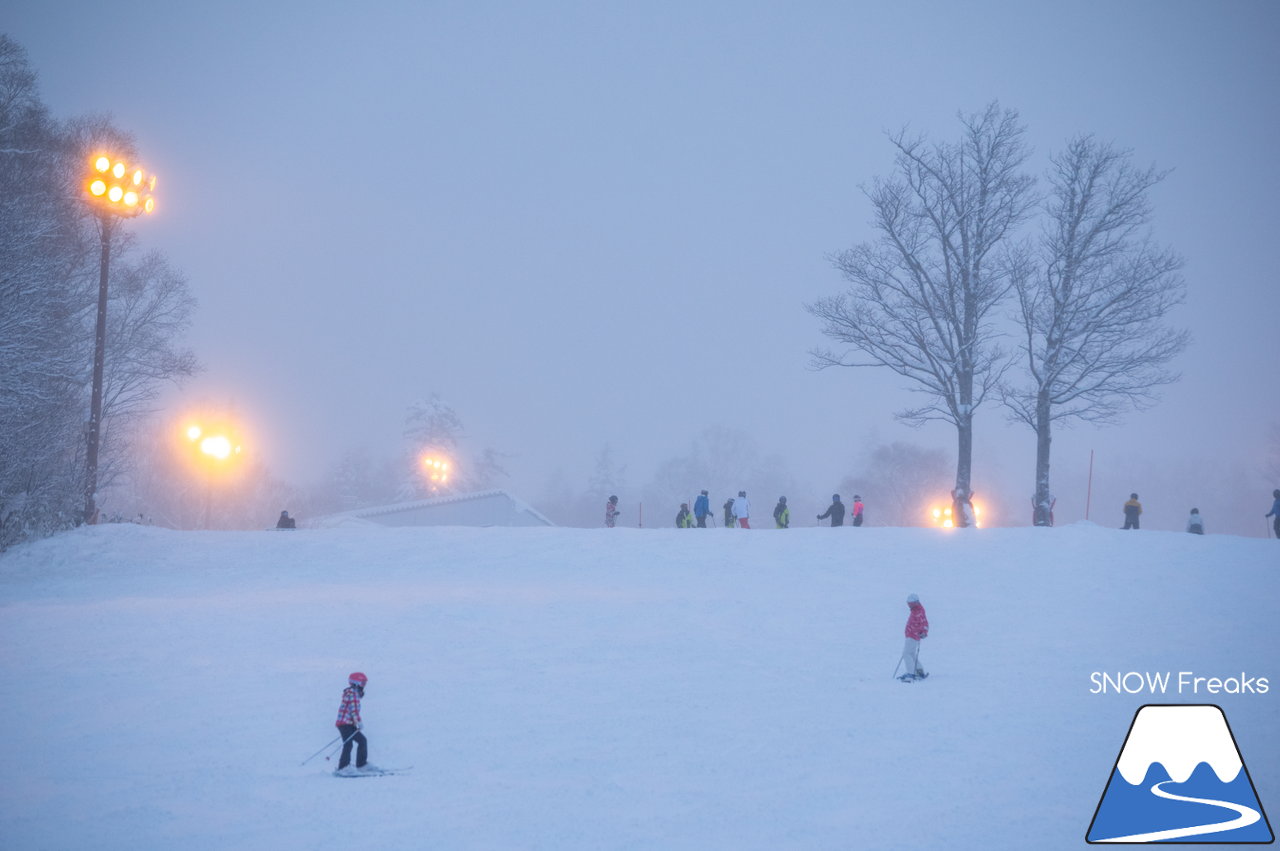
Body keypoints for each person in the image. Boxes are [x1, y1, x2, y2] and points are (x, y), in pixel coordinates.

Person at [334, 672, 377, 775]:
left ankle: (362, 765)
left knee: (362, 740)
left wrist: (355, 722)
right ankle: (343, 768)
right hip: (344, 724)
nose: (364, 686)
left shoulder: (354, 693)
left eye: (365, 683)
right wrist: (359, 722)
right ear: (355, 683)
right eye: (362, 683)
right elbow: (354, 710)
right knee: (348, 744)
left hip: (349, 723)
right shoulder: (352, 693)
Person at [898, 594, 929, 682]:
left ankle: (910, 674)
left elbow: (924, 623)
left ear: (915, 603)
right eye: (908, 603)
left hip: (912, 636)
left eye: (910, 604)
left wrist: (923, 632)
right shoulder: (917, 610)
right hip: (912, 635)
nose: (909, 605)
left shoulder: (918, 611)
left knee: (906, 654)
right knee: (911, 654)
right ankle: (919, 672)